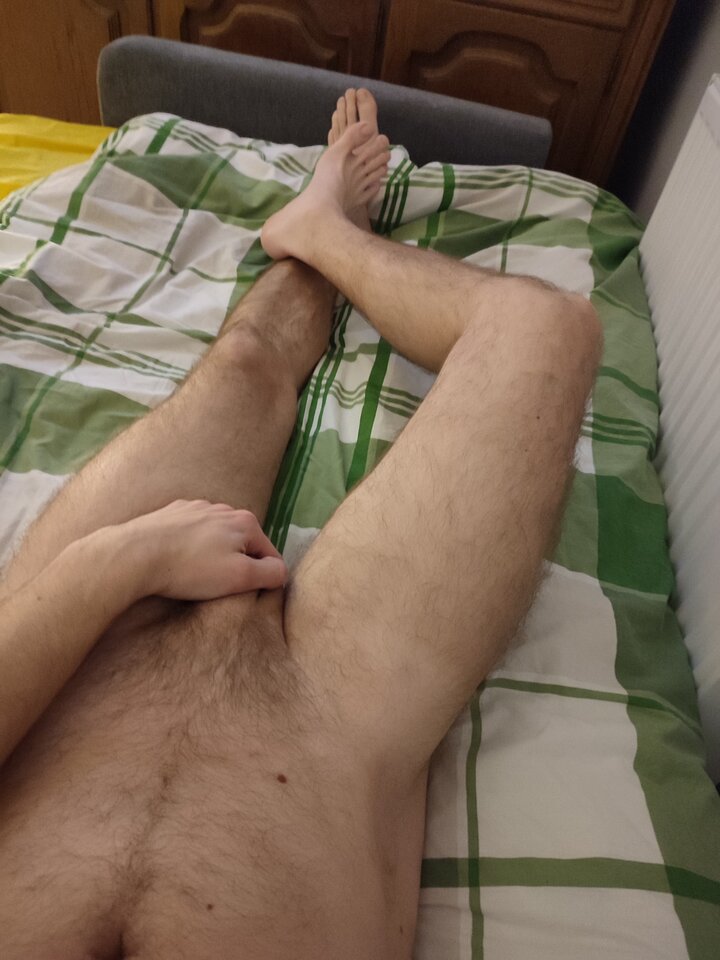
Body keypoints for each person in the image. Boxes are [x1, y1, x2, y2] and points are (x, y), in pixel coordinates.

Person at [0, 89, 601, 959]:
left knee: (247, 363)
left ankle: (322, 228)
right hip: (335, 729)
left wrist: (117, 562)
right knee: (542, 328)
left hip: (76, 663)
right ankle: (326, 233)